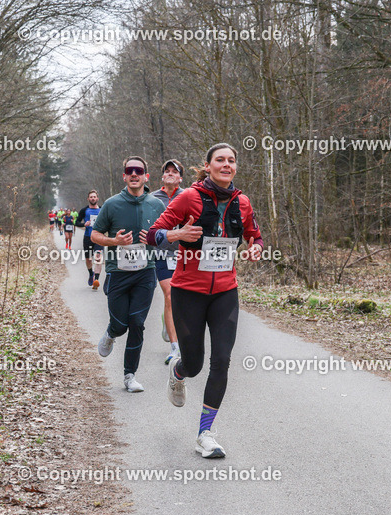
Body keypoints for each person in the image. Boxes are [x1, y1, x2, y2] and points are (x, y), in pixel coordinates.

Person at [146, 143, 263, 458]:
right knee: (195, 364)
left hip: (225, 292)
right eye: (220, 160)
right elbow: (152, 235)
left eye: (231, 161)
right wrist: (175, 236)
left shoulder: (243, 202)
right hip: (189, 293)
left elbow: (255, 235)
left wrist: (256, 248)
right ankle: (180, 371)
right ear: (208, 166)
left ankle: (205, 433)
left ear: (235, 167)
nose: (227, 165)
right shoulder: (189, 198)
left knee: (221, 361)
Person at [91, 156, 166, 393]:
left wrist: (155, 238)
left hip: (146, 272)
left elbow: (166, 235)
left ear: (146, 176)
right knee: (121, 324)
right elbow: (95, 235)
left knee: (137, 323)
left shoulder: (157, 205)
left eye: (139, 170)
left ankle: (129, 376)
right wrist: (115, 241)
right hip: (118, 273)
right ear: (124, 176)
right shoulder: (112, 204)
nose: (134, 174)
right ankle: (112, 333)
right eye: (129, 171)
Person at [146, 159, 185, 364]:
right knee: (170, 295)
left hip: (186, 254)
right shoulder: (153, 198)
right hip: (161, 254)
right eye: (167, 171)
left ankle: (168, 322)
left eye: (174, 172)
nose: (170, 174)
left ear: (180, 177)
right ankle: (175, 347)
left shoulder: (188, 196)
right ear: (162, 177)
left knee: (184, 299)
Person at [75, 191, 103, 288]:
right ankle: (91, 274)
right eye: (91, 197)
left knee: (98, 257)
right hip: (88, 237)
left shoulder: (102, 209)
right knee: (88, 259)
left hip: (99, 237)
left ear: (97, 198)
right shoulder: (84, 210)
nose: (93, 198)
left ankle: (96, 280)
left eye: (94, 197)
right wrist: (84, 224)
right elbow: (76, 222)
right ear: (88, 199)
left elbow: (109, 220)